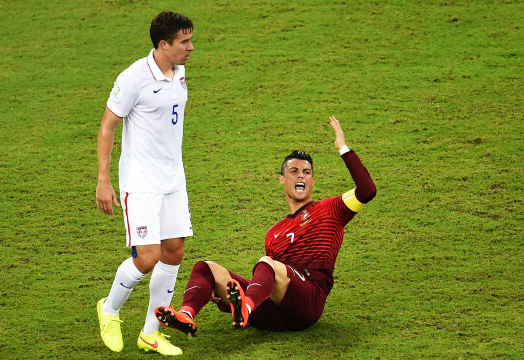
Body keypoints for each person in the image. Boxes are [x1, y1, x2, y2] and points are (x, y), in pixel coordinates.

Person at [154, 115, 376, 335]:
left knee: (267, 263)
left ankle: (246, 307)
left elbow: (367, 190)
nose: (301, 176)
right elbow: (269, 283)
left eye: (307, 172)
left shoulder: (331, 208)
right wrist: (220, 295)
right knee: (206, 267)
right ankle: (187, 314)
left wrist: (343, 147)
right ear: (282, 179)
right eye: (294, 171)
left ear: (313, 181)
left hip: (308, 304)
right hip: (271, 314)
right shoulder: (273, 233)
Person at [95, 10, 195, 356]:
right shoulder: (134, 78)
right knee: (149, 255)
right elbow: (108, 126)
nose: (191, 47)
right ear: (163, 44)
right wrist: (103, 180)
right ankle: (109, 310)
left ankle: (150, 333)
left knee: (174, 252)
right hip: (141, 183)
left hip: (174, 180)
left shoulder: (179, 71)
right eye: (184, 42)